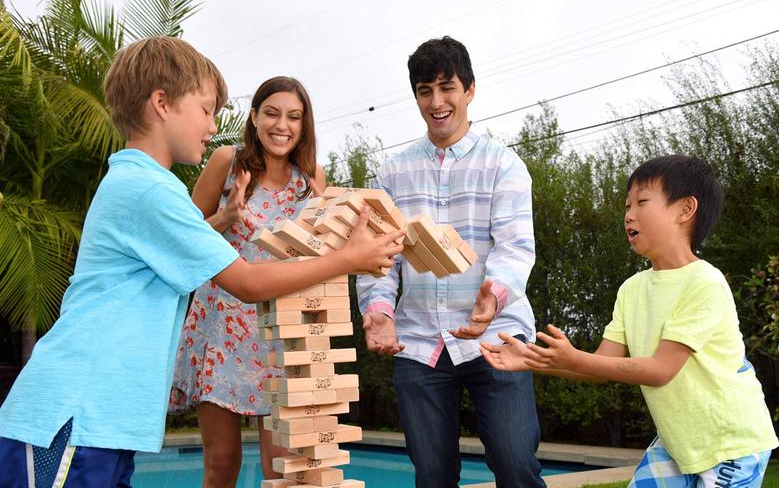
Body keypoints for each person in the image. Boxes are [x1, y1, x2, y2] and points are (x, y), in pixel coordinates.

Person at [0, 37, 403, 487]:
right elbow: (246, 281)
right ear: (161, 103)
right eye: (207, 109)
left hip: (99, 419)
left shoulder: (147, 183)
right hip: (75, 416)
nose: (213, 126)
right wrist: (349, 258)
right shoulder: (151, 190)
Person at [481, 155, 779, 487]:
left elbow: (659, 371)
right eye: (627, 206)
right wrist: (534, 359)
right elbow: (602, 364)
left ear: (685, 209)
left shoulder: (703, 282)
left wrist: (575, 358)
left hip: (731, 443)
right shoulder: (632, 289)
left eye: (641, 202)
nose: (628, 215)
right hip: (678, 441)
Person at [356, 36, 546, 488]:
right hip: (419, 344)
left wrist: (493, 294)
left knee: (517, 466)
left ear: (470, 90)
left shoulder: (505, 166)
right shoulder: (392, 173)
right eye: (425, 90)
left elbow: (516, 248)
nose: (437, 102)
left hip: (498, 338)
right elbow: (379, 260)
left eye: (447, 88)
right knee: (433, 476)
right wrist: (379, 311)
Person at [169, 76, 324, 486]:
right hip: (221, 327)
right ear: (254, 117)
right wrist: (226, 218)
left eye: (294, 117)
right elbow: (182, 237)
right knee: (222, 464)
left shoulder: (312, 181)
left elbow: (320, 256)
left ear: (304, 125)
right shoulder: (226, 161)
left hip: (281, 332)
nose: (282, 125)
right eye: (271, 113)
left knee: (282, 468)